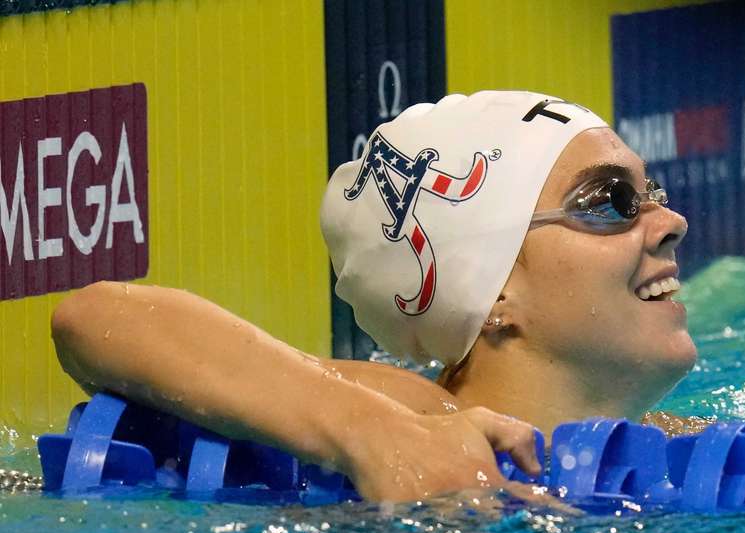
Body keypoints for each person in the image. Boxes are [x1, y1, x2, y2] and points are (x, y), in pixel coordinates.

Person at [51, 91, 696, 504]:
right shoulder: (412, 412)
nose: (670, 223)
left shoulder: (665, 444)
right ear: (495, 286)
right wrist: (376, 435)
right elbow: (96, 318)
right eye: (611, 205)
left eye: (652, 196)